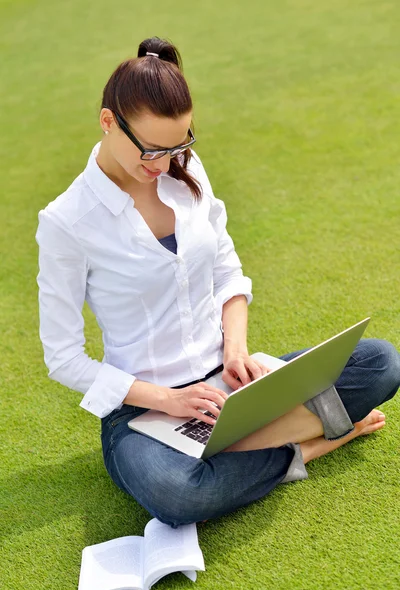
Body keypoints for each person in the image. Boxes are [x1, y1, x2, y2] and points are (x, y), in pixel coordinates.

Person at [35, 37, 400, 529]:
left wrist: (236, 351)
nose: (162, 165)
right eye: (150, 149)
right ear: (107, 122)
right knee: (175, 494)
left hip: (228, 384)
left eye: (178, 145)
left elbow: (227, 271)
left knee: (381, 363)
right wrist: (170, 400)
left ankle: (238, 443)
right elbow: (64, 358)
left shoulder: (186, 172)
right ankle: (310, 444)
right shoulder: (66, 221)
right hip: (145, 409)